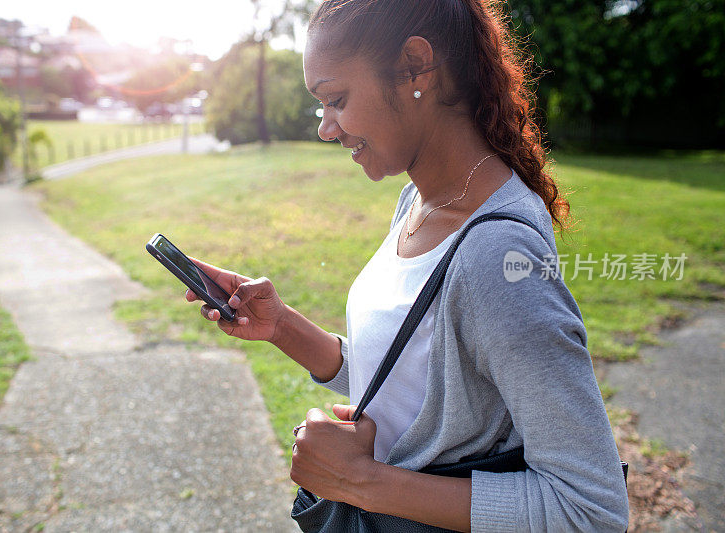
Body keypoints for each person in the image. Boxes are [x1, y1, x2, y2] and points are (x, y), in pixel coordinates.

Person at [186, 0, 630, 530]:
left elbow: (590, 509)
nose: (326, 128)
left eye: (336, 99)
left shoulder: (496, 257)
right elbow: (409, 381)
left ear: (416, 66)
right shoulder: (418, 203)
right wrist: (282, 326)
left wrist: (361, 482)